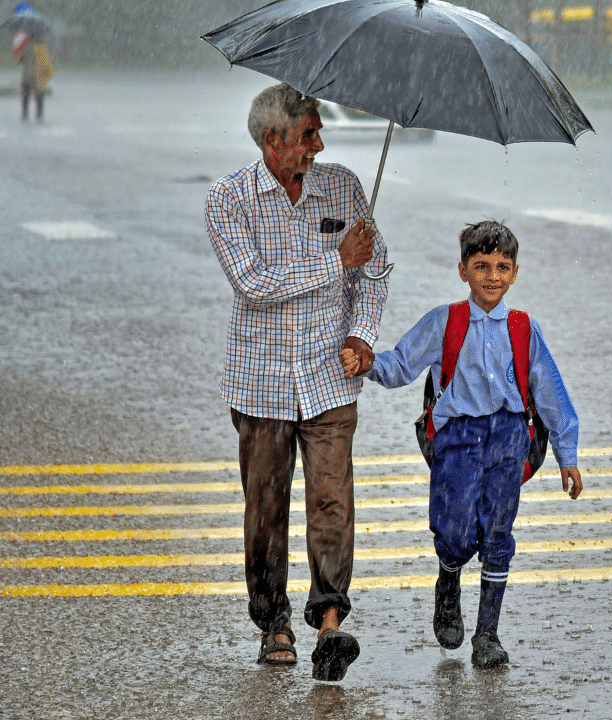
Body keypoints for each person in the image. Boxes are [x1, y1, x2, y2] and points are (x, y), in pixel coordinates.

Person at [205, 83, 389, 681]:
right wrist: (336, 259)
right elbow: (253, 284)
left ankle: (330, 620)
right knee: (265, 509)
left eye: (317, 132)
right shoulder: (228, 199)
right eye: (309, 134)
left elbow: (376, 272)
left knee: (333, 502)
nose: (320, 144)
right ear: (272, 140)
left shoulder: (343, 185)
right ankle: (273, 620)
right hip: (260, 385)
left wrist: (362, 335)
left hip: (331, 380)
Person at [341, 220, 582, 668]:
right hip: (457, 440)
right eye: (482, 265)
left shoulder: (524, 329)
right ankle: (448, 579)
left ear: (514, 273)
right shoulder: (445, 321)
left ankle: (487, 635)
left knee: (497, 532)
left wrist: (568, 456)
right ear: (462, 270)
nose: (492, 275)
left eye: (502, 266)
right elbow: (401, 363)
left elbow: (550, 392)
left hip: (510, 438)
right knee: (452, 530)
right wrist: (369, 362)